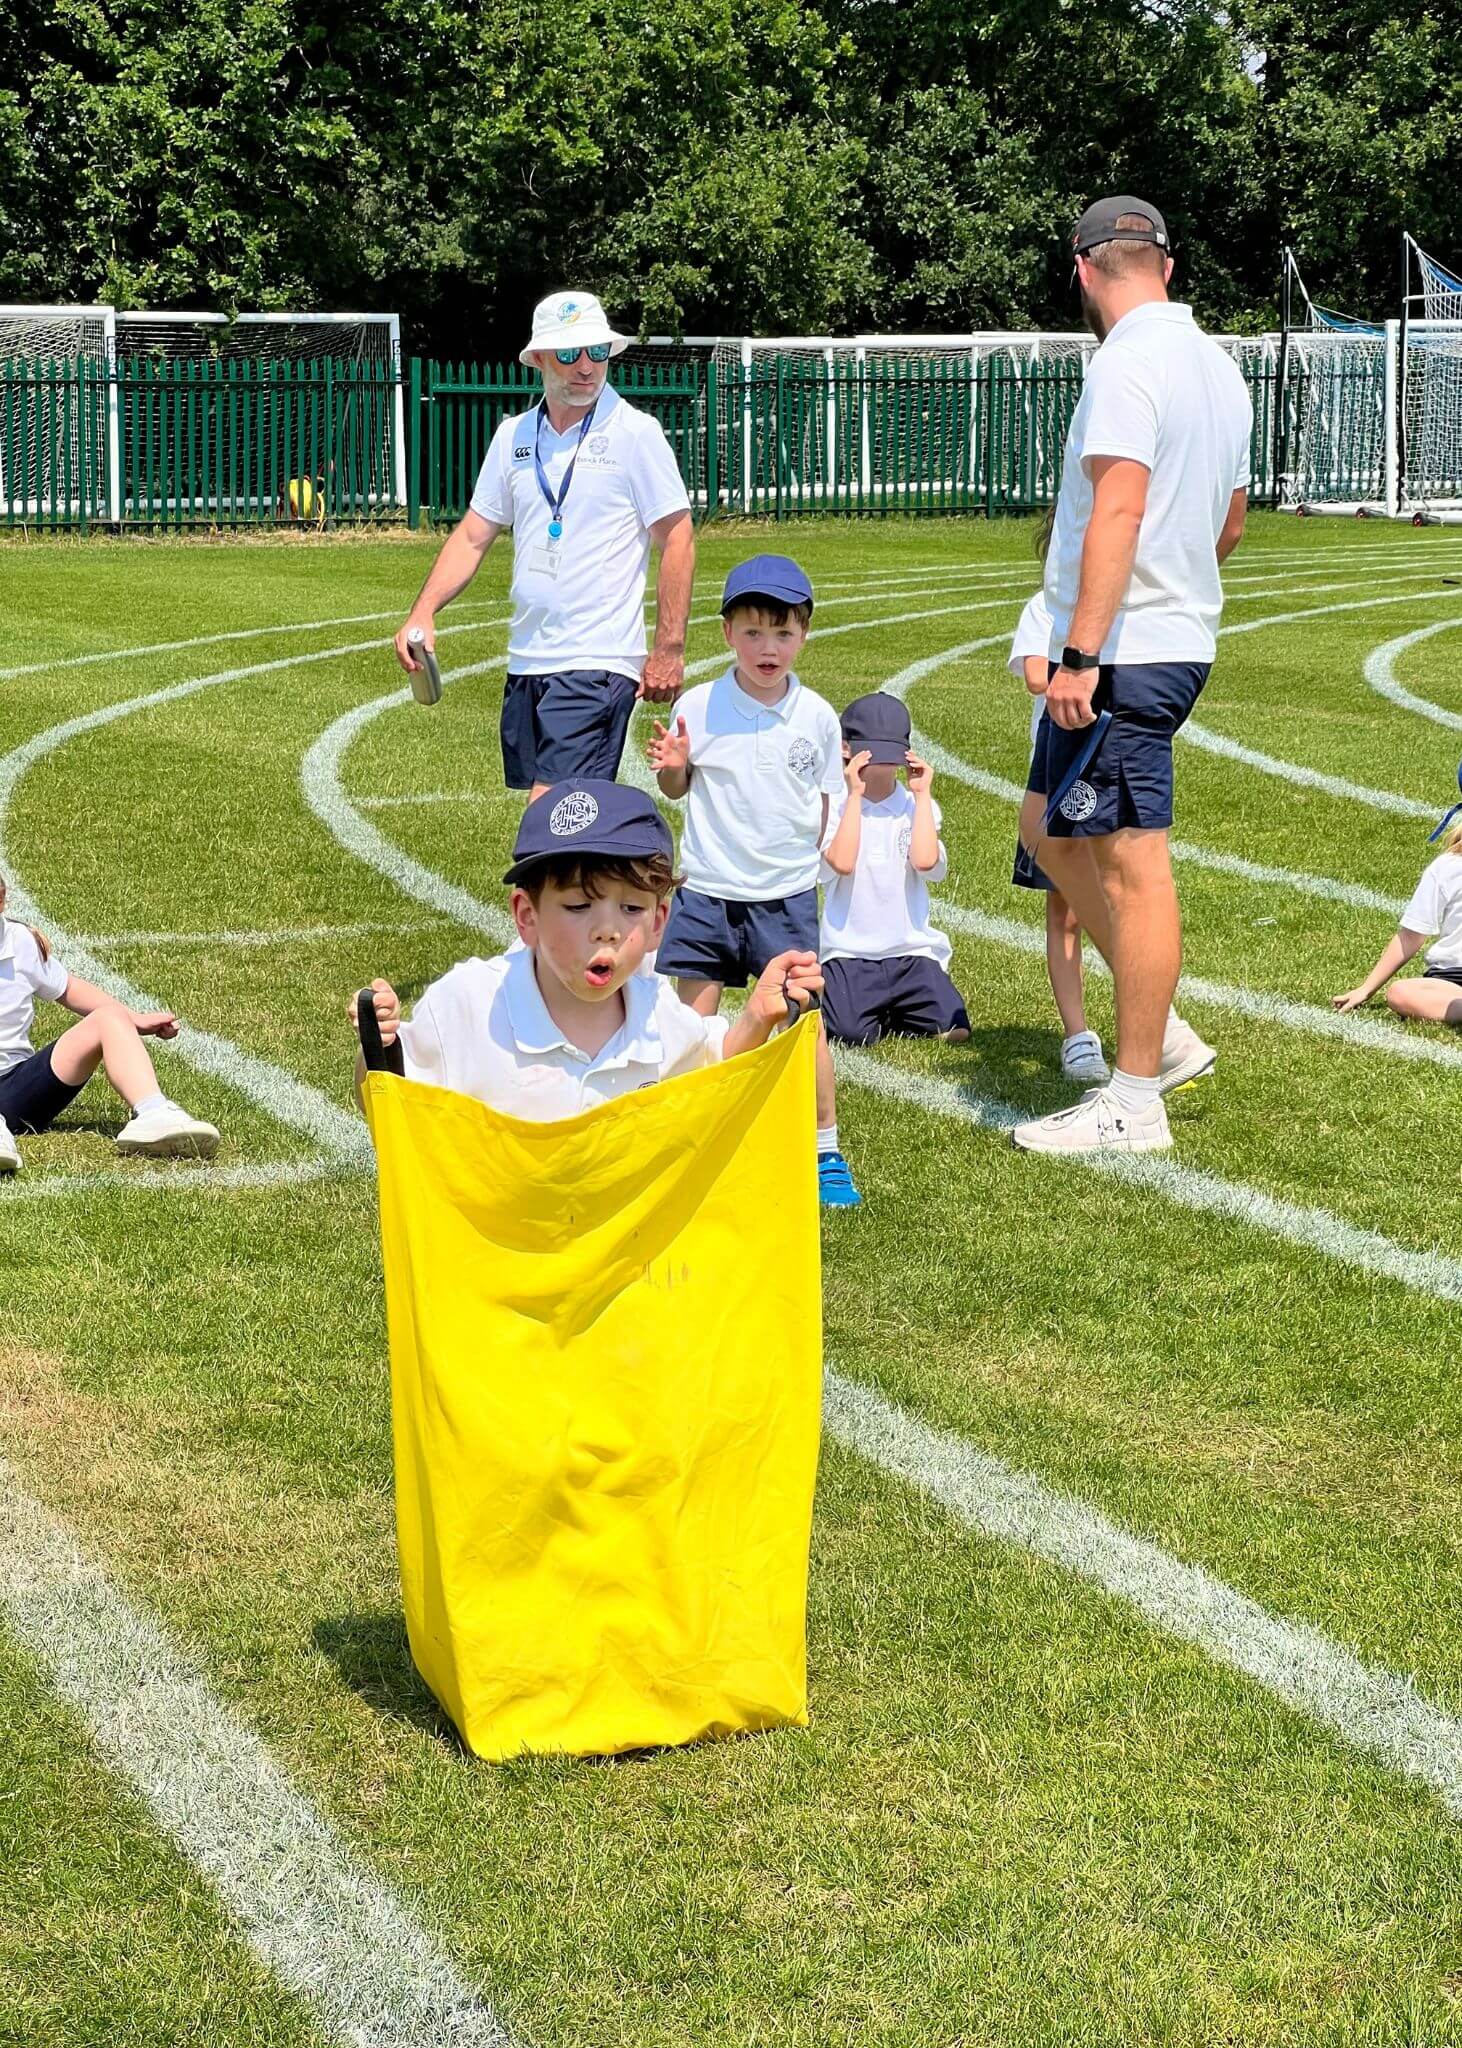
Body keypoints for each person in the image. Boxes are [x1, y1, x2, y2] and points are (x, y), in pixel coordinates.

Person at [1010, 195, 1250, 1157]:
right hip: (1167, 632)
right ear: (1168, 261)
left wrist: (1081, 652)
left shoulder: (1125, 364)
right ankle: (1167, 1031)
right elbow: (1230, 523)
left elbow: (1118, 509)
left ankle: (1136, 1095)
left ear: (1082, 270)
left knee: (1131, 863)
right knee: (1045, 826)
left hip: (1124, 649)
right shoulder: (1220, 368)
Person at [350, 780, 823, 1117]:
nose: (607, 931)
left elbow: (709, 1069)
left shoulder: (656, 1011)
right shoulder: (470, 1005)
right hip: (506, 1247)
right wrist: (380, 1043)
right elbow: (389, 1105)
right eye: (578, 906)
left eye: (632, 910)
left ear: (660, 922)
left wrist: (757, 1017)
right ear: (526, 916)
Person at [395, 291, 695, 801]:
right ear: (537, 358)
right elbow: (473, 534)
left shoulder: (636, 434)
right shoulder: (513, 435)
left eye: (597, 351)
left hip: (597, 662)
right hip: (529, 661)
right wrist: (423, 608)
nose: (586, 366)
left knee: (551, 816)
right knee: (569, 829)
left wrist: (668, 648)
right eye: (570, 353)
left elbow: (679, 537)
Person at [646, 555, 861, 1208]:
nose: (768, 648)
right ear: (726, 633)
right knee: (691, 1021)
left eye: (783, 633)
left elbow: (826, 804)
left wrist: (814, 872)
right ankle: (688, 1137)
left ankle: (824, 1150)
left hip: (786, 900)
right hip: (709, 890)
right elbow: (676, 788)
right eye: (753, 632)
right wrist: (675, 768)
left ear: (805, 635)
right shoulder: (700, 705)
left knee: (804, 1028)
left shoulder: (819, 717)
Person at [0, 874, 219, 1174]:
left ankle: (154, 1113)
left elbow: (67, 989)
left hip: (19, 1087)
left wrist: (133, 1020)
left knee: (110, 1017)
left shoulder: (21, 941)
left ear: (1, 902)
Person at [817, 691, 970, 1046]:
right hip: (850, 952)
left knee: (954, 1027)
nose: (881, 763)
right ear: (846, 749)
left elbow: (925, 861)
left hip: (910, 951)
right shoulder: (834, 806)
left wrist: (921, 794)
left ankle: (894, 1007)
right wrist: (853, 795)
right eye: (871, 751)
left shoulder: (917, 806)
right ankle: (876, 1008)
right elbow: (840, 862)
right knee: (850, 1034)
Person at [1009, 590, 1108, 1086]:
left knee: (1126, 898)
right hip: (1060, 769)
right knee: (1065, 910)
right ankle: (1077, 1035)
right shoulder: (1044, 607)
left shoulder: (1132, 605)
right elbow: (1033, 677)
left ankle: (1149, 1026)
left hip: (1115, 762)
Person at [1332, 816, 1462, 1025]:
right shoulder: (1447, 867)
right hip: (1452, 979)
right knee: (1400, 992)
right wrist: (1366, 989)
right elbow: (1411, 935)